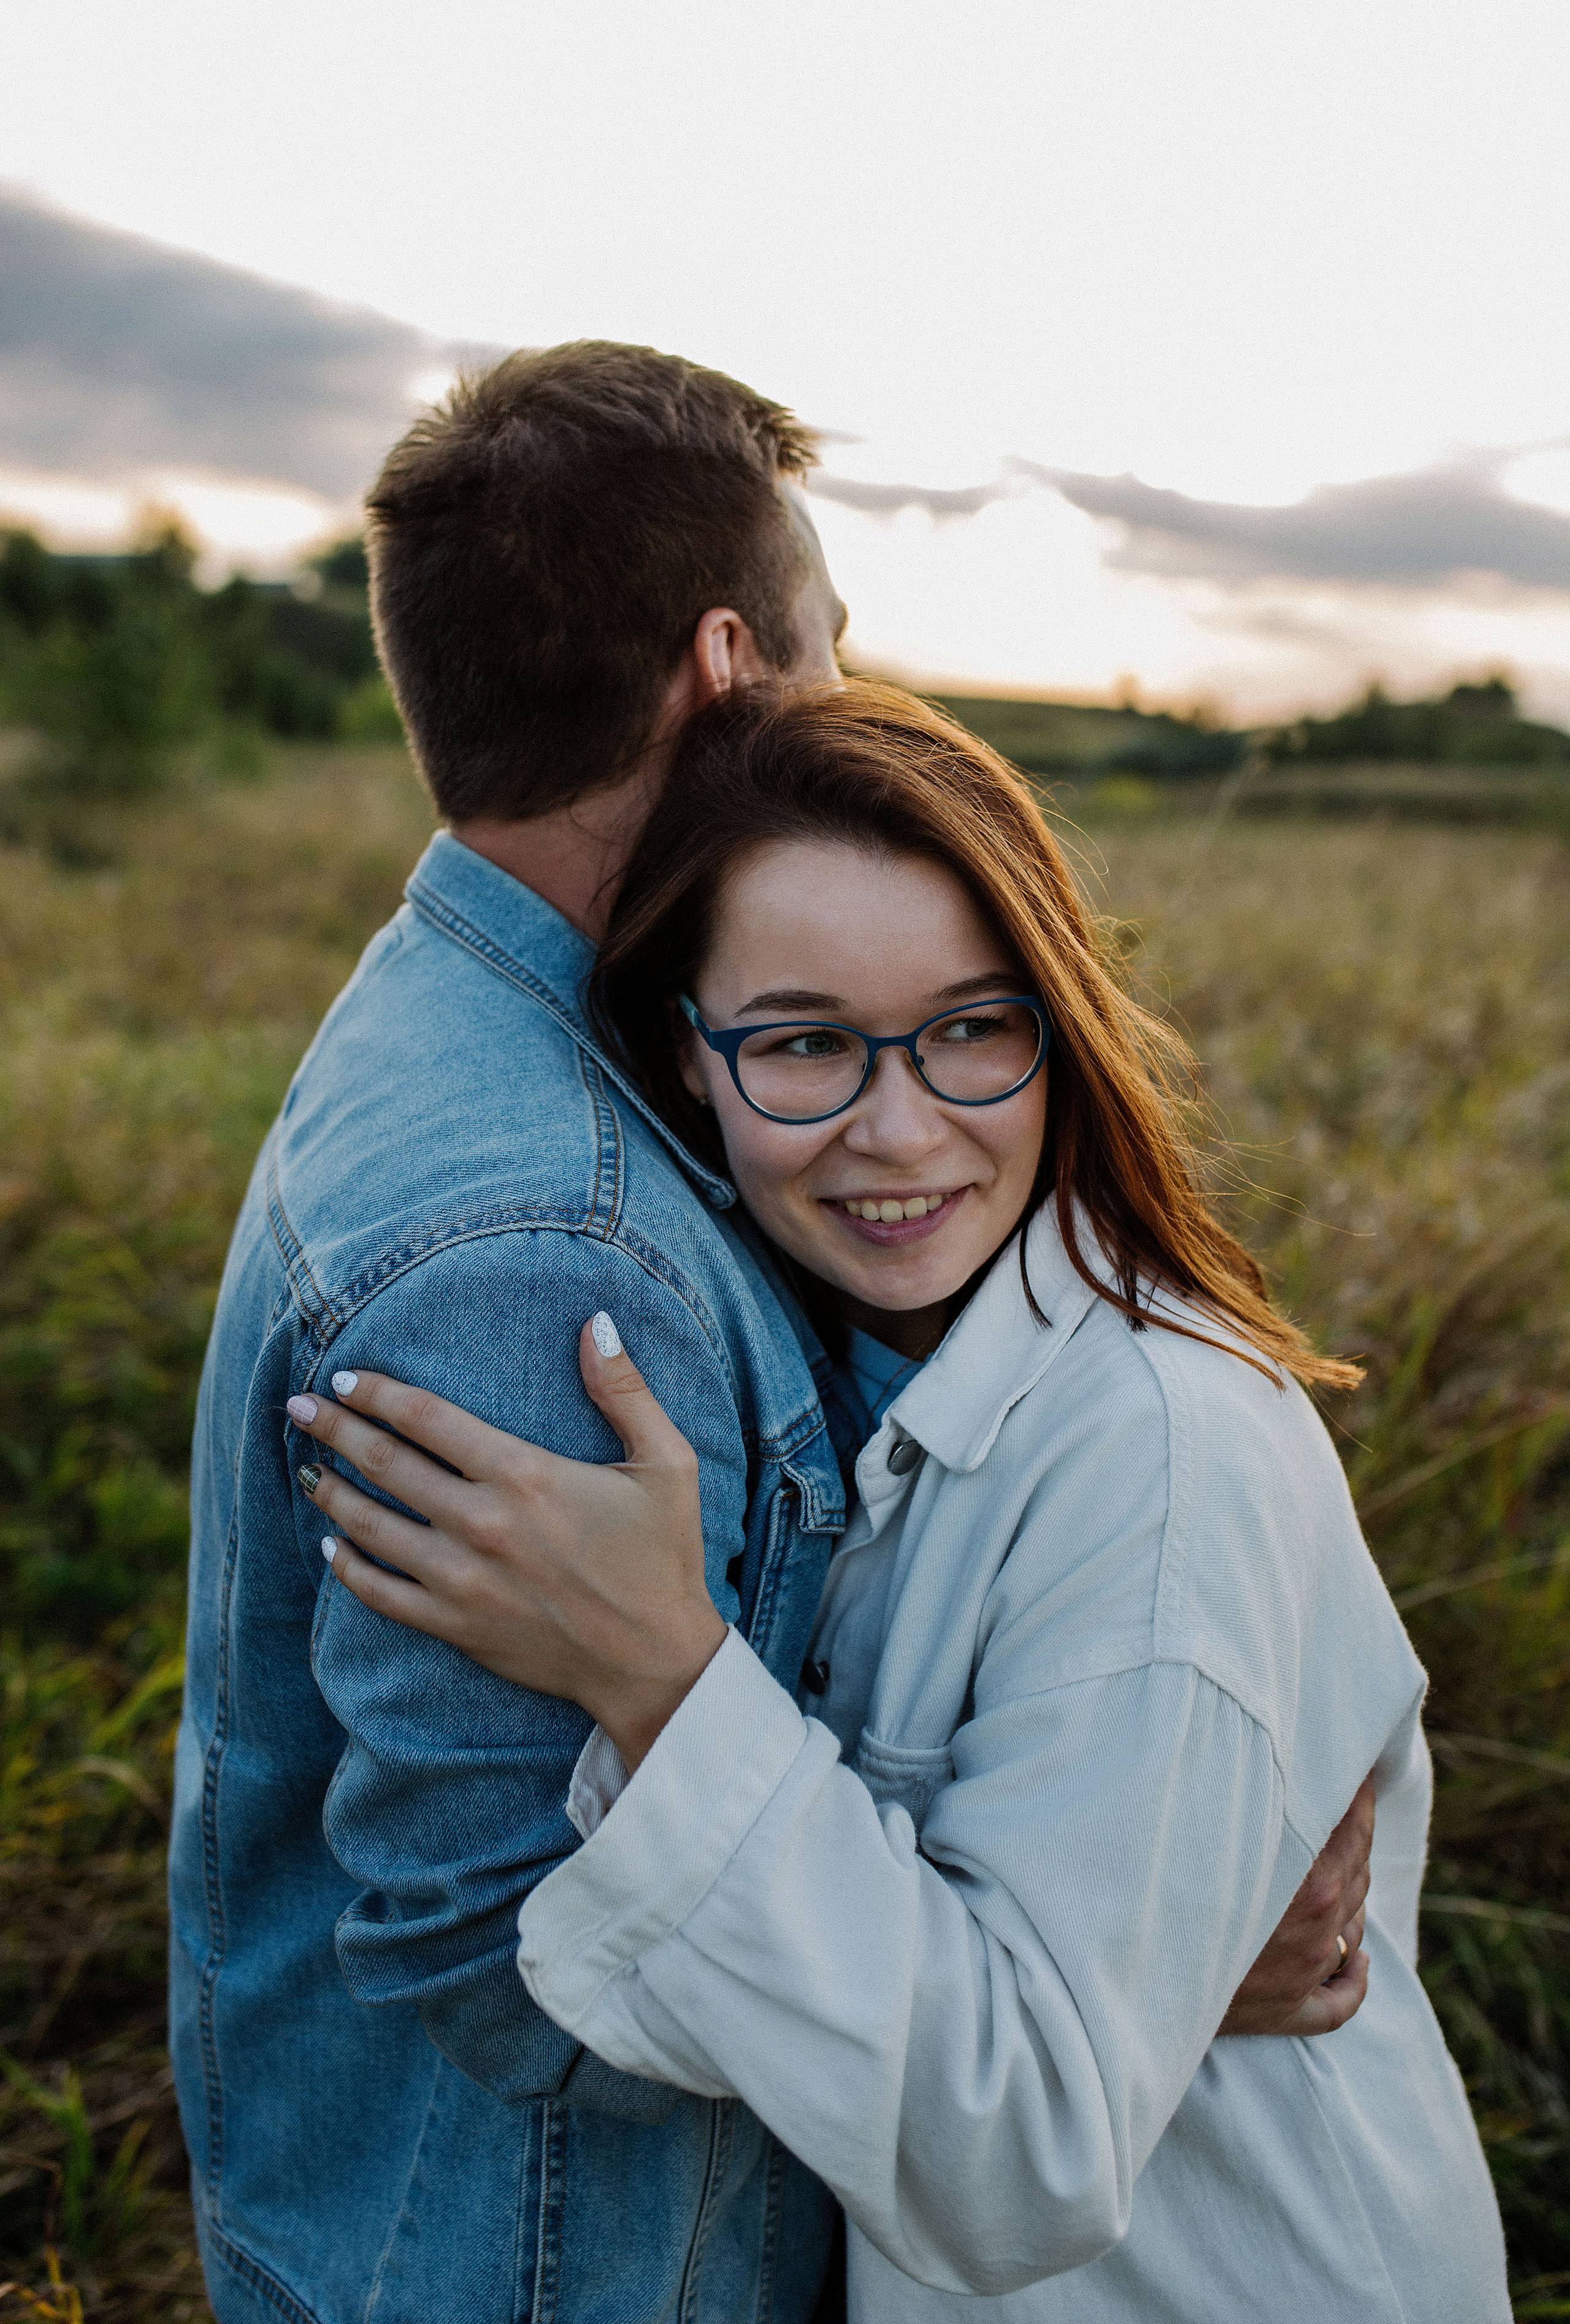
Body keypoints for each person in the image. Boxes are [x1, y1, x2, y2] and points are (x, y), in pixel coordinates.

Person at [172, 342, 1372, 2324]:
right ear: (732, 673)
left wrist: (1106, 1917)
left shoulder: (475, 1021)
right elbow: (506, 1958)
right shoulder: (552, 1250)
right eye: (836, 645)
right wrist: (1111, 1944)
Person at [288, 684, 1509, 2322]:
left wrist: (663, 1677)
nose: (901, 1126)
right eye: (802, 1042)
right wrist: (1166, 1974)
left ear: (1058, 1029)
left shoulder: (1163, 1454)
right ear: (685, 1056)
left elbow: (1018, 2153)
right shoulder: (821, 1367)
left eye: (972, 1029)